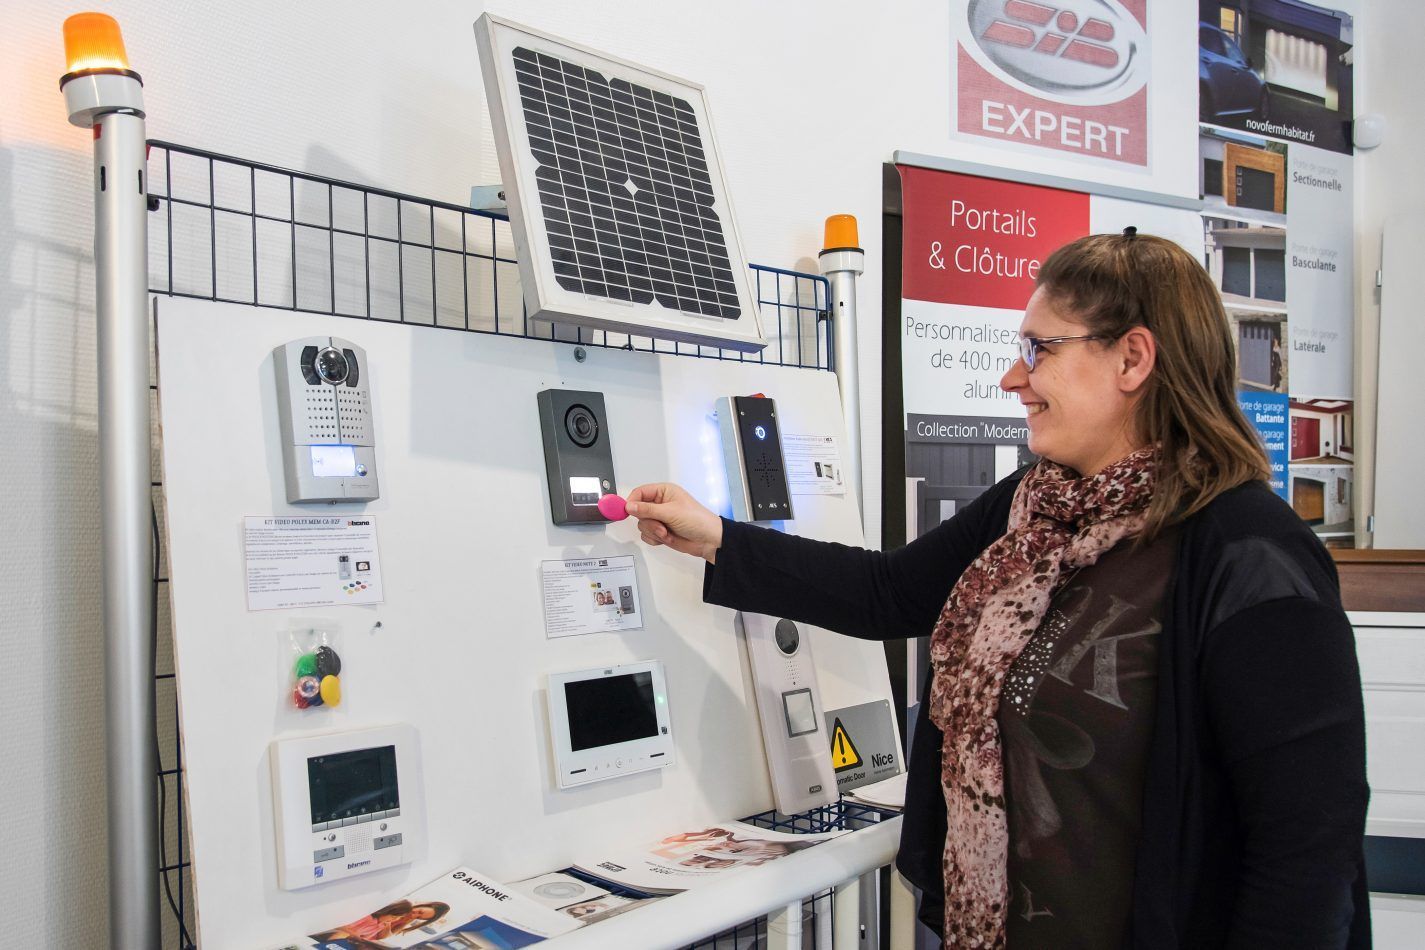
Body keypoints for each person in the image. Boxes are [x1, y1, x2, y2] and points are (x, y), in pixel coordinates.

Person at [625, 232, 1369, 949]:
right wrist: (715, 536)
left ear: (1132, 358)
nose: (1014, 378)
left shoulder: (1251, 557)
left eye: (1039, 349)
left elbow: (1305, 853)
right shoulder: (1034, 509)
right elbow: (886, 591)